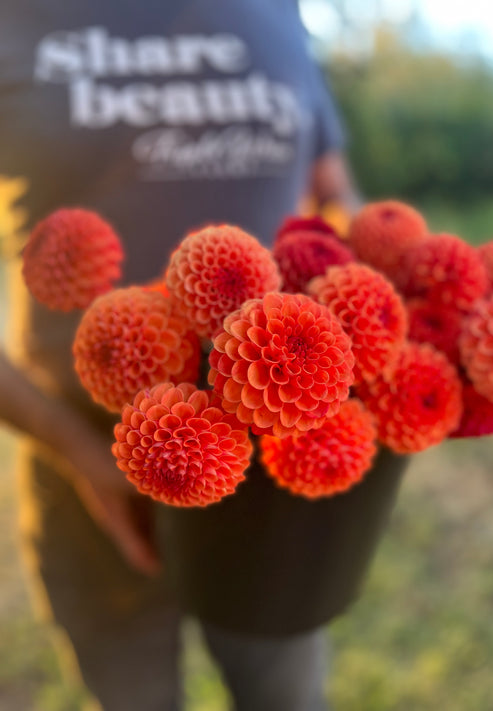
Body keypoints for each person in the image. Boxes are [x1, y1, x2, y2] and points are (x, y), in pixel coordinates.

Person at [0, 1, 409, 709]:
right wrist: (78, 451)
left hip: (273, 464)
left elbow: (336, 191)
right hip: (69, 435)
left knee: (283, 688)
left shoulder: (276, 11)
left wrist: (374, 306)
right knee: (130, 691)